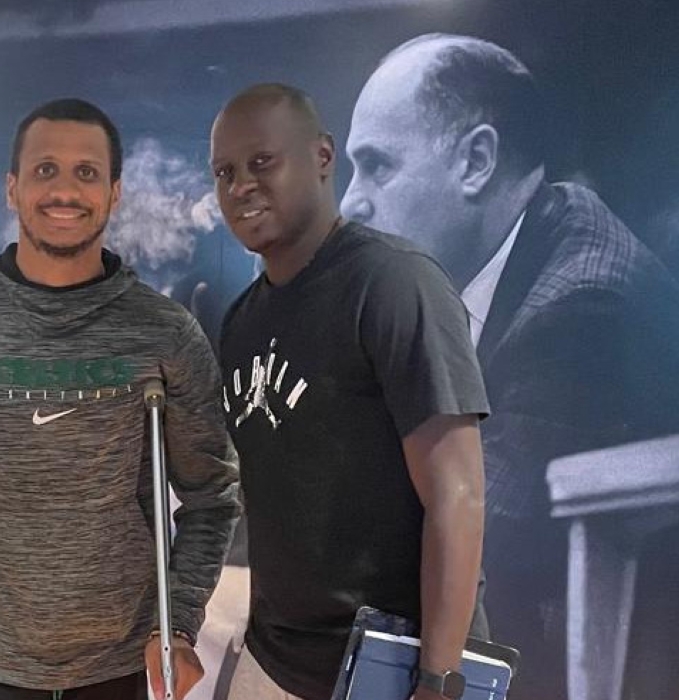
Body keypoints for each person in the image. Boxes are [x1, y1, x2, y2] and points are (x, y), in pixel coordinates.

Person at [341, 34, 679, 697]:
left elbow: (473, 549)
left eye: (377, 167)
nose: (350, 203)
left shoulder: (582, 309)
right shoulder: (496, 263)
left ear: (476, 160)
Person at [0, 98, 240, 700]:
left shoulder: (164, 333)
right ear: (12, 189)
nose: (65, 190)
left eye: (87, 173)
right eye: (44, 170)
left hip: (114, 667)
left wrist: (178, 623)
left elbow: (211, 496)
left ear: (114, 193)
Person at [211, 83, 490, 700]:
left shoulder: (392, 283)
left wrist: (440, 679)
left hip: (390, 670)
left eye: (262, 162)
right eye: (225, 172)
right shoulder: (241, 321)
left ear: (322, 157)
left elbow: (459, 495)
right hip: (274, 661)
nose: (240, 186)